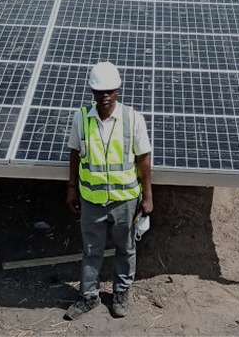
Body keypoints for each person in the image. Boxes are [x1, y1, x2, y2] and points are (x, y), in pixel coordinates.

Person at [64, 61, 154, 320]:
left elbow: (143, 159)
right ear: (92, 91)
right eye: (99, 90)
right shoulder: (82, 117)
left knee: (125, 248)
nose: (105, 95)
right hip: (92, 199)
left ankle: (121, 292)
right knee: (91, 250)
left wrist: (148, 196)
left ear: (117, 90)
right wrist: (72, 188)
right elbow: (74, 152)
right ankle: (89, 296)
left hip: (125, 200)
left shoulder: (133, 118)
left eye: (110, 90)